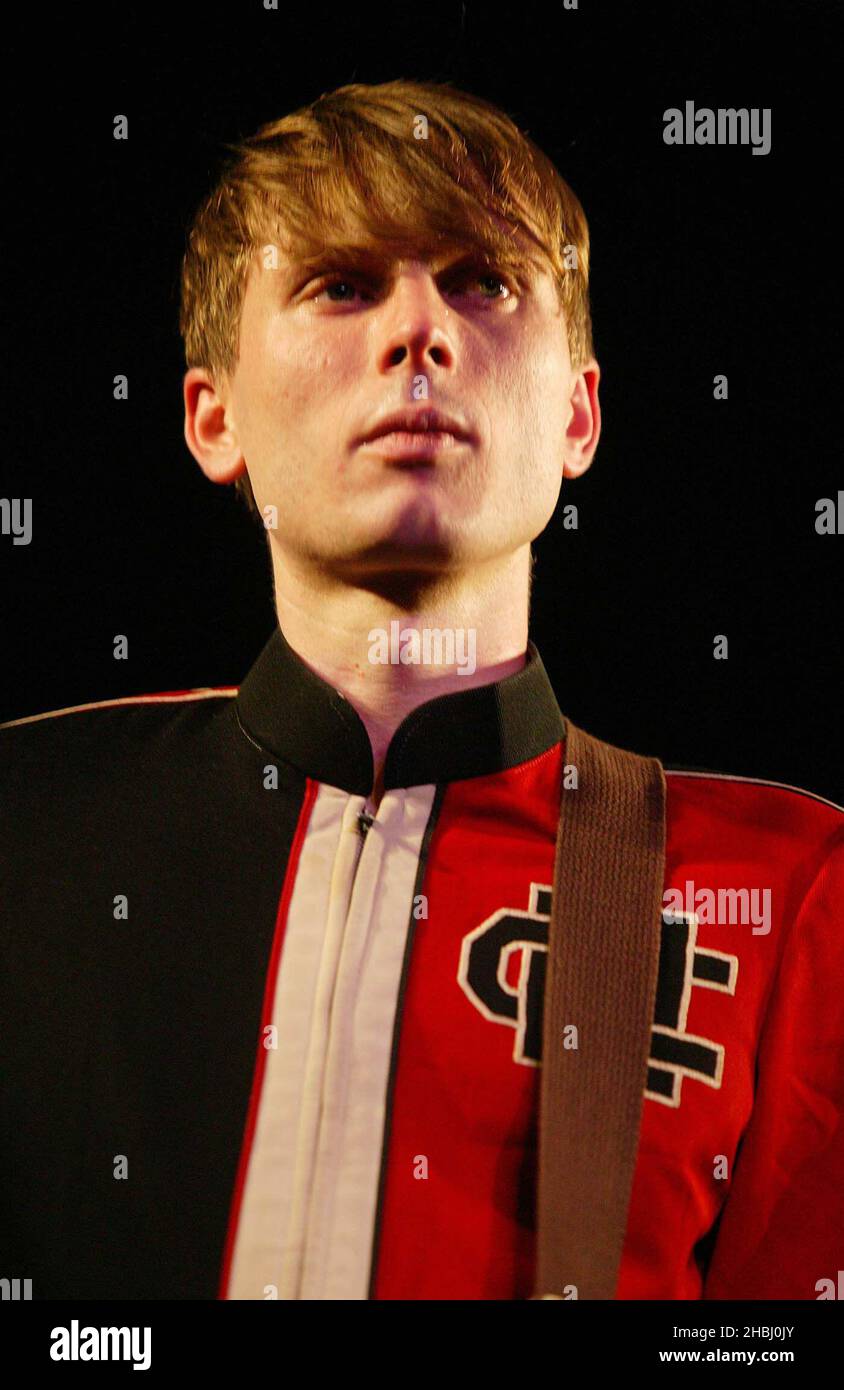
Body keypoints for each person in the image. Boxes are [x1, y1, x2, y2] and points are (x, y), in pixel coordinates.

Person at [1, 79, 841, 1302]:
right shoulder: (28, 822)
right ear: (211, 413)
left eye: (482, 281)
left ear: (577, 412)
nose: (419, 331)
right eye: (342, 283)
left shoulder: (785, 883)